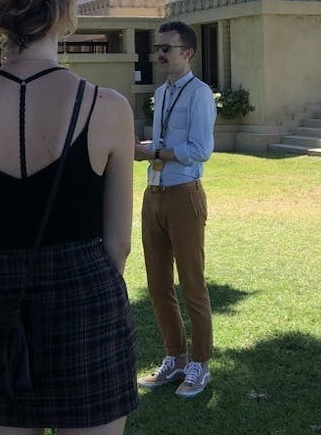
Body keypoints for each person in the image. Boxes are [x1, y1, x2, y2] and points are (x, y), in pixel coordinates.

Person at [0, 0, 138, 435]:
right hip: (88, 298)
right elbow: (119, 244)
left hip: (0, 301)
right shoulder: (107, 107)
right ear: (64, 11)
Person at [134, 20, 217, 399]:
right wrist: (145, 147)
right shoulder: (163, 92)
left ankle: (201, 363)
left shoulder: (199, 94)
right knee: (157, 285)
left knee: (192, 284)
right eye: (158, 47)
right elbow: (167, 140)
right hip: (154, 194)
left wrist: (155, 152)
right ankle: (176, 357)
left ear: (188, 52)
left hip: (184, 194)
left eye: (167, 47)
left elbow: (200, 150)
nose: (160, 53)